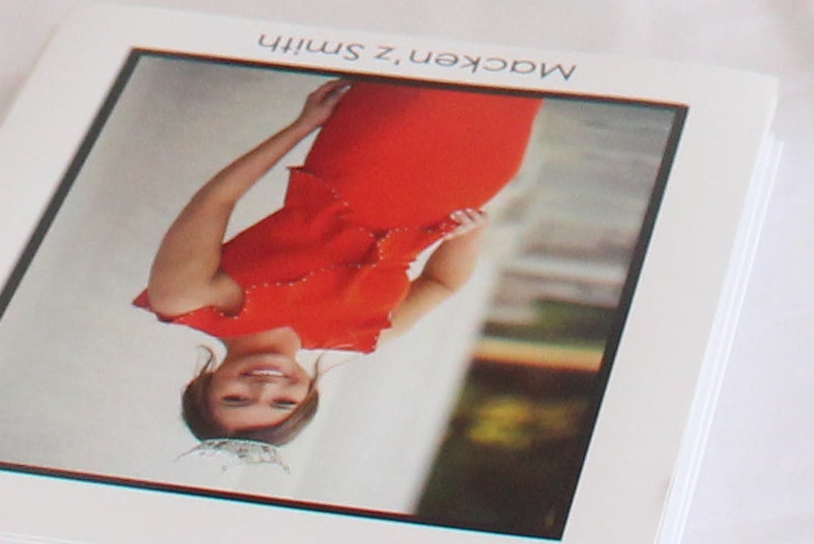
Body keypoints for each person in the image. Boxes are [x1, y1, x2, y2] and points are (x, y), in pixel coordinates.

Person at [138, 77, 536, 445]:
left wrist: (303, 126)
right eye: (283, 403)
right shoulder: (368, 333)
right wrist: (470, 236)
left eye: (236, 398)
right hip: (474, 174)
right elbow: (441, 284)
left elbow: (216, 199)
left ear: (203, 385)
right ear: (309, 396)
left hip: (374, 147)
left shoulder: (188, 299)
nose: (264, 388)